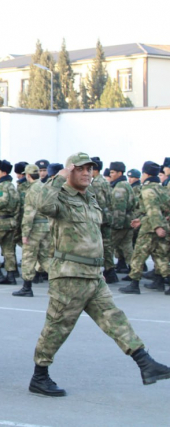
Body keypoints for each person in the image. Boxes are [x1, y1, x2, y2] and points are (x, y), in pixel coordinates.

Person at [29, 152, 170, 396]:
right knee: (57, 328)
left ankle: (145, 363)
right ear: (70, 171)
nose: (87, 173)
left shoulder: (90, 198)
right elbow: (42, 205)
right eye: (81, 169)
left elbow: (94, 236)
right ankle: (39, 375)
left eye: (90, 169)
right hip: (70, 276)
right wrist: (59, 177)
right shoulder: (60, 196)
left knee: (115, 318)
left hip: (93, 274)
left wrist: (101, 268)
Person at [118, 161, 170, 295]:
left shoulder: (147, 189)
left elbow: (152, 209)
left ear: (146, 174)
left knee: (139, 254)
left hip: (150, 227)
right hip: (161, 224)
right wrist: (143, 220)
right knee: (160, 255)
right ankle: (161, 281)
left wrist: (157, 226)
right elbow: (162, 209)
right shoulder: (161, 188)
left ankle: (134, 284)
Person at [13, 165, 50, 297]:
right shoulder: (45, 187)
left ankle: (27, 287)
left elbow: (29, 214)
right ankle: (61, 281)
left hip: (35, 228)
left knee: (28, 257)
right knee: (45, 257)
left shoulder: (32, 190)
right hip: (46, 226)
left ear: (28, 176)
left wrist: (25, 233)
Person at [88, 157, 117, 283]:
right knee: (107, 244)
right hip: (107, 215)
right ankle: (110, 270)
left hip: (101, 217)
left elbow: (99, 201)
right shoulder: (104, 181)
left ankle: (108, 271)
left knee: (102, 244)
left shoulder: (96, 183)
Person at [108, 162, 136, 275]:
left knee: (108, 246)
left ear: (119, 173)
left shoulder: (119, 187)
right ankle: (135, 271)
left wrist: (116, 225)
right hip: (128, 221)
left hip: (121, 223)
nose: (110, 175)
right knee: (128, 247)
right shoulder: (126, 185)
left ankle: (109, 272)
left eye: (112, 172)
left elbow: (119, 208)